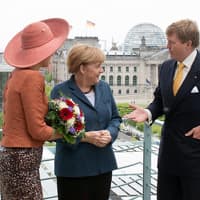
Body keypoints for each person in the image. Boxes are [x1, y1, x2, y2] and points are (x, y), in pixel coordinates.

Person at [124, 19, 200, 200]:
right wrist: (148, 112)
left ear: (188, 44)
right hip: (169, 157)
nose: (167, 47)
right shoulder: (166, 67)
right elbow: (160, 99)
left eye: (172, 42)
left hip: (196, 158)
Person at [0, 18, 70, 199]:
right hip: (23, 159)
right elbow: (37, 130)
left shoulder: (16, 75)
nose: (53, 54)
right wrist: (69, 132)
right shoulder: (33, 78)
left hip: (11, 156)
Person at [51, 43, 122, 200]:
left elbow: (116, 118)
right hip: (74, 169)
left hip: (103, 166)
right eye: (98, 66)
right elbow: (60, 132)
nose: (102, 70)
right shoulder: (61, 92)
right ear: (82, 68)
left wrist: (110, 133)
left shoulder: (104, 88)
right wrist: (87, 137)